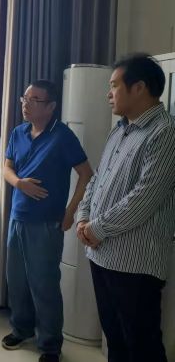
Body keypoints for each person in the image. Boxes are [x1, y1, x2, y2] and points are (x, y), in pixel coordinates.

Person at [76, 54, 175, 362]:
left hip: (135, 262)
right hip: (102, 253)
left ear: (139, 88)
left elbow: (145, 197)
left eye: (114, 86)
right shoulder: (120, 129)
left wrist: (96, 228)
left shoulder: (165, 132)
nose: (109, 94)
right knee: (115, 338)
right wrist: (83, 217)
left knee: (142, 345)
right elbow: (97, 179)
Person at [2, 80, 93, 362]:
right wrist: (19, 183)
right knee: (16, 280)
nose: (26, 104)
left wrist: (71, 212)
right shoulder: (18, 132)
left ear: (51, 106)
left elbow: (87, 174)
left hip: (46, 222)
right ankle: (21, 329)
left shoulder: (62, 136)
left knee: (44, 285)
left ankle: (50, 344)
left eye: (34, 100)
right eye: (24, 98)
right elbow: (6, 167)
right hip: (17, 217)